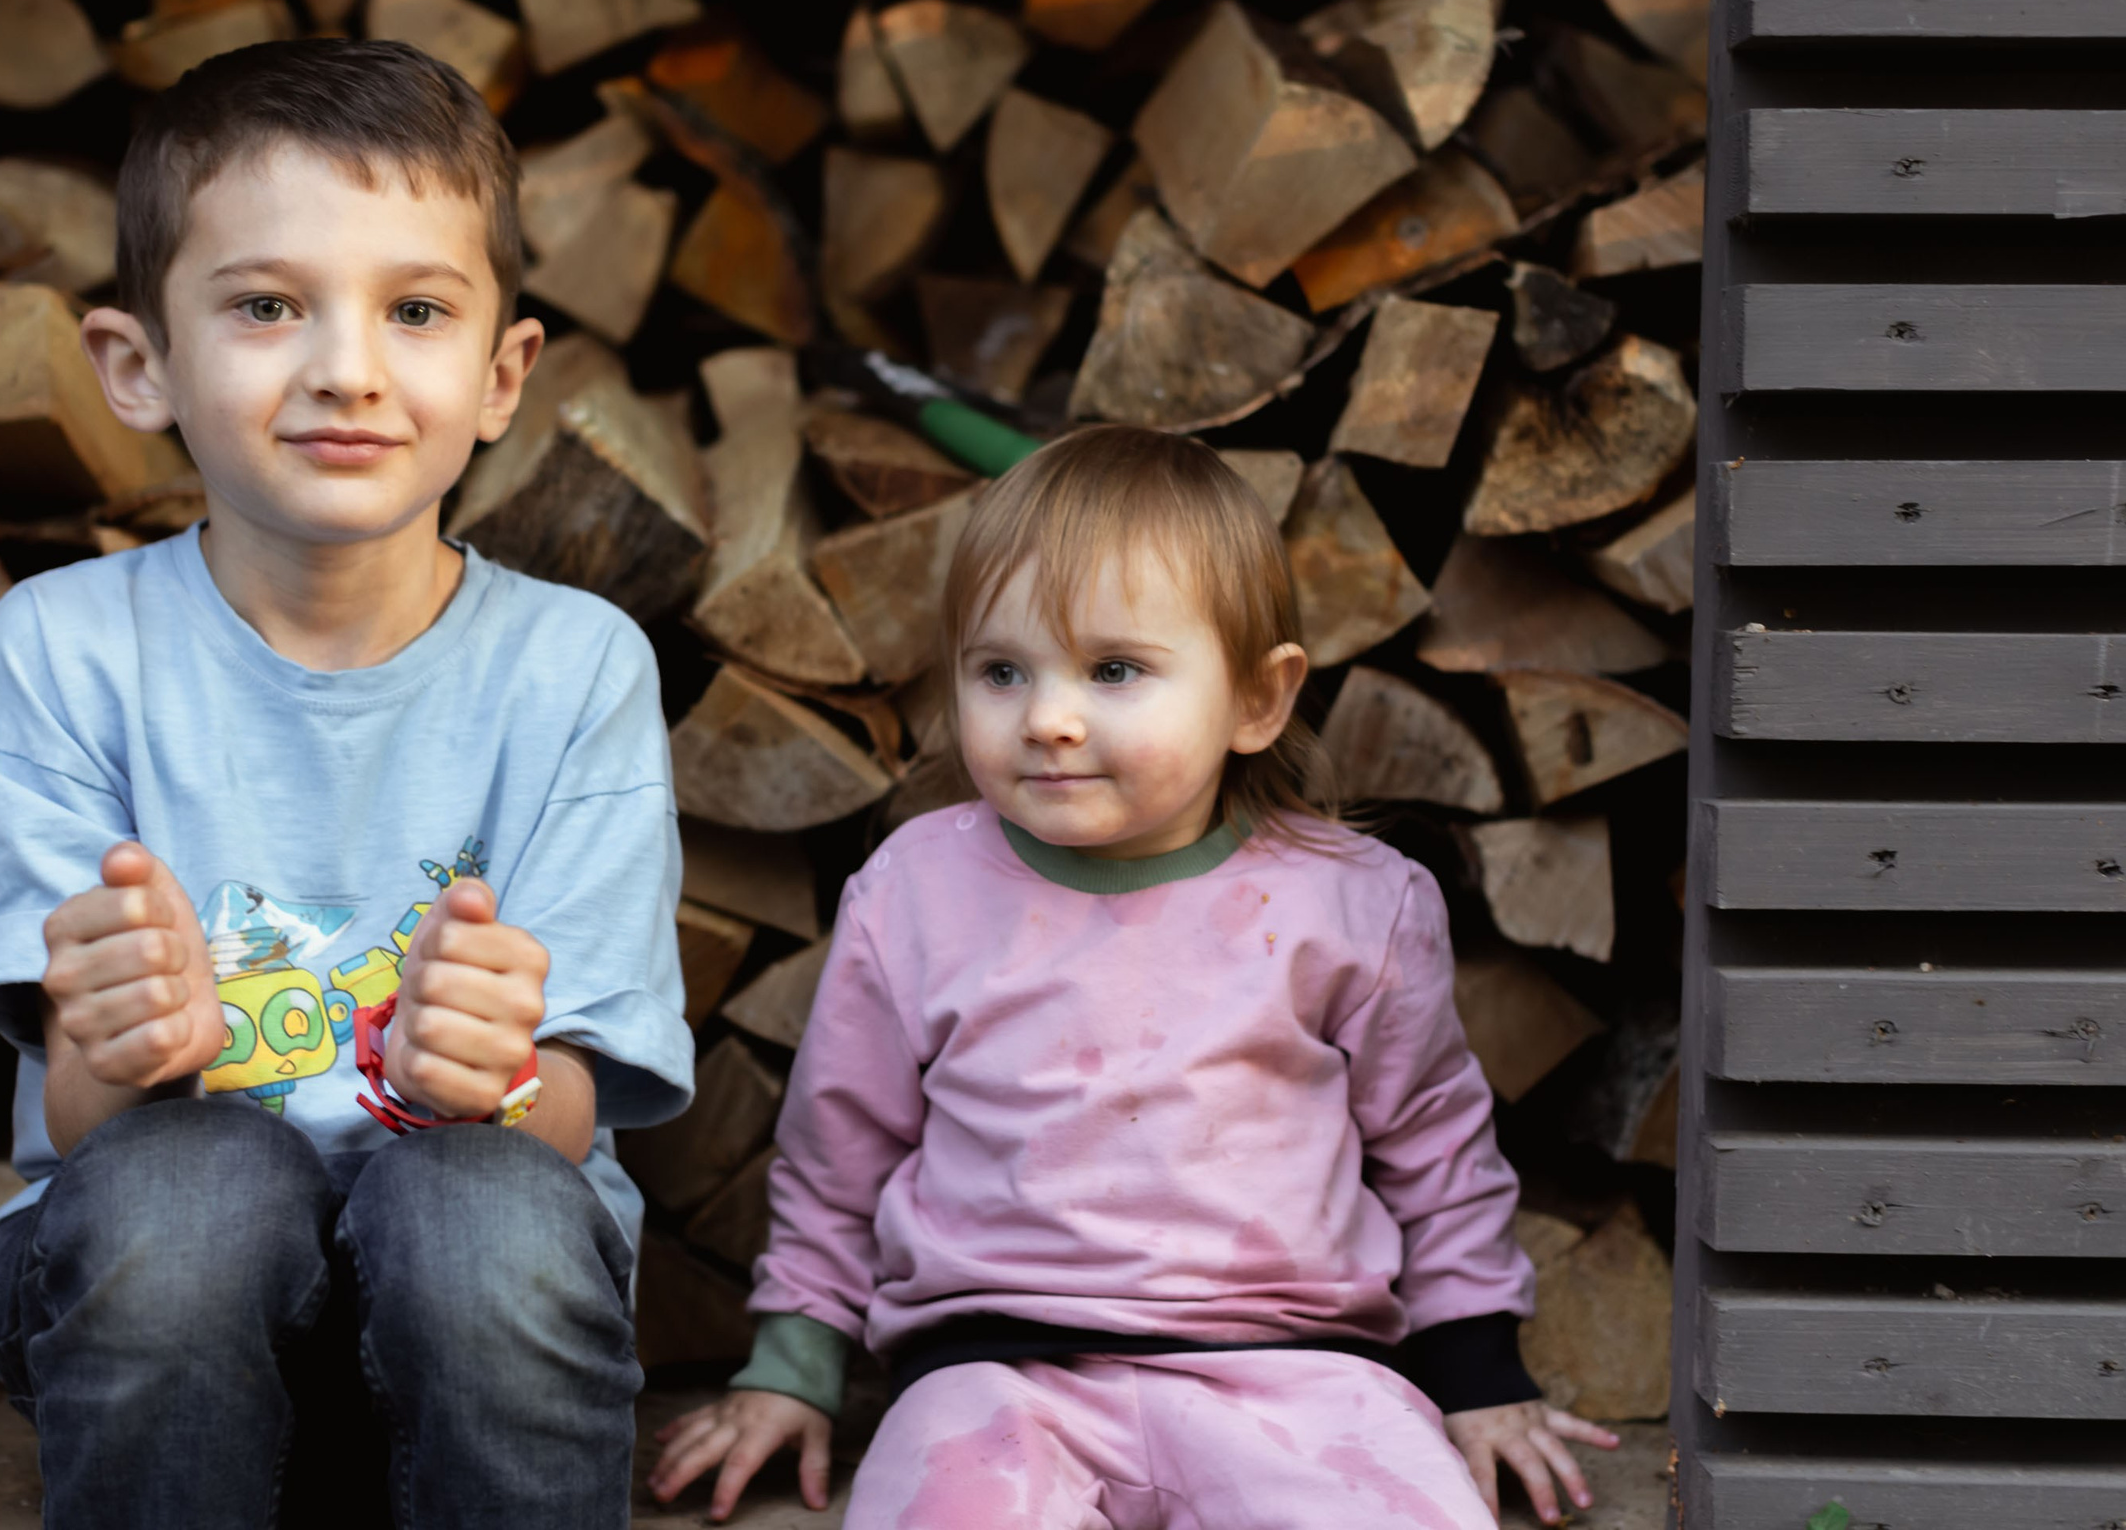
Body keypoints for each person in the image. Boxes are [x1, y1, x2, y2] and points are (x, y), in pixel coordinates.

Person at [0, 39, 691, 1530]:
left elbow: (567, 1115)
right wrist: (126, 1043)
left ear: (502, 375)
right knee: (188, 1188)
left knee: (477, 1205)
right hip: (146, 1311)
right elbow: (85, 1119)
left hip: (488, 1312)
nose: (347, 368)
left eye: (414, 310)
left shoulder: (575, 669)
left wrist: (497, 1077)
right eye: (267, 305)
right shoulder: (62, 650)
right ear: (138, 366)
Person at [650, 427, 1618, 1529]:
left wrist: (1479, 1374)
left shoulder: (1352, 902)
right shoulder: (914, 894)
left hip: (1297, 1373)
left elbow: (1435, 1148)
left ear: (1257, 699)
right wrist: (791, 1367)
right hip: (996, 1379)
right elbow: (837, 1153)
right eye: (1001, 671)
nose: (1047, 718)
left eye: (1113, 670)